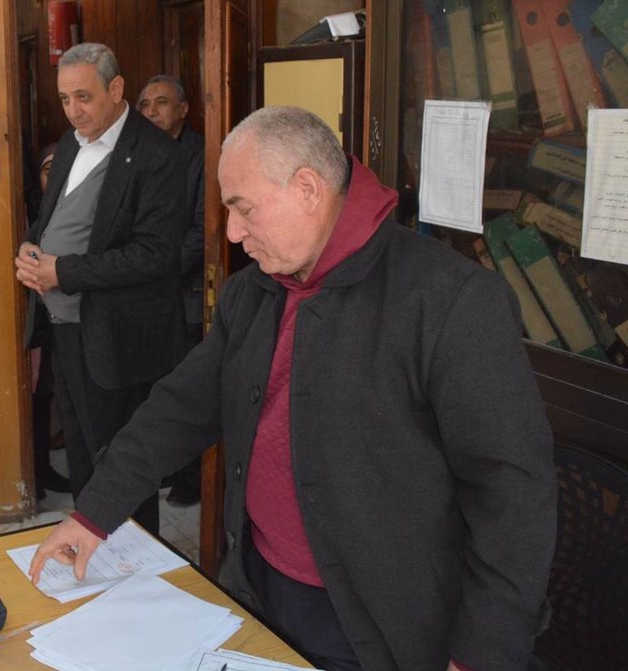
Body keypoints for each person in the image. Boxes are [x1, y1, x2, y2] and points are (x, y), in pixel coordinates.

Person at [29, 106, 556, 671]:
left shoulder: (450, 301)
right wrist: (94, 513)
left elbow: (512, 495)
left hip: (378, 626)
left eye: (243, 208)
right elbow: (178, 410)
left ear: (307, 189)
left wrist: (480, 655)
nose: (233, 232)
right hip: (259, 588)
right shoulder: (253, 293)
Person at [15, 42, 185, 535]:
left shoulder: (157, 154)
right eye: (65, 99)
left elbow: (155, 254)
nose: (73, 111)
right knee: (83, 456)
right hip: (65, 328)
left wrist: (62, 273)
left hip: (118, 338)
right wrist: (30, 249)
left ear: (116, 88)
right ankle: (90, 550)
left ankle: (135, 562)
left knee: (121, 464)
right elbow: (50, 217)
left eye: (84, 97)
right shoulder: (70, 144)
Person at [137, 74, 205, 507]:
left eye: (161, 103)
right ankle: (168, 465)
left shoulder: (202, 155)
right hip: (146, 293)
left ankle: (195, 474)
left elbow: (203, 230)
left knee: (189, 387)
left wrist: (157, 271)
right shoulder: (137, 155)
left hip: (187, 289)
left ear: (183, 109)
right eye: (144, 105)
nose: (151, 112)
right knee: (156, 386)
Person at [27, 142, 70, 500]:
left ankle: (47, 470)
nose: (54, 175)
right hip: (38, 320)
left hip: (71, 319)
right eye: (46, 169)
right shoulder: (32, 215)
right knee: (38, 392)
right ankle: (38, 471)